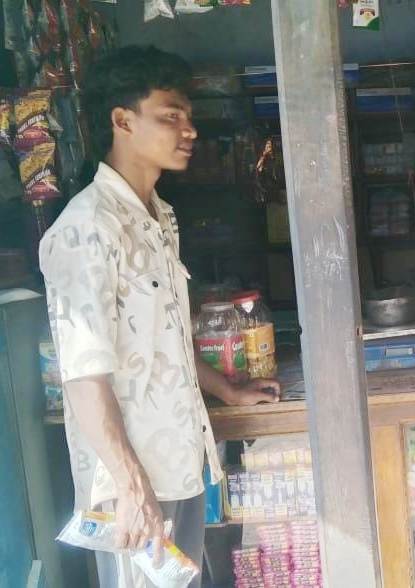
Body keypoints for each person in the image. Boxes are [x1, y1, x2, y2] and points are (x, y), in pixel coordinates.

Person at [39, 46, 280, 588]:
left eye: (187, 115)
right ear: (122, 121)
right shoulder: (87, 228)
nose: (189, 129)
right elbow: (84, 376)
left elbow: (164, 336)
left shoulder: (157, 216)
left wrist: (225, 389)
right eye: (171, 115)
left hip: (179, 464)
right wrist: (131, 487)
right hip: (135, 482)